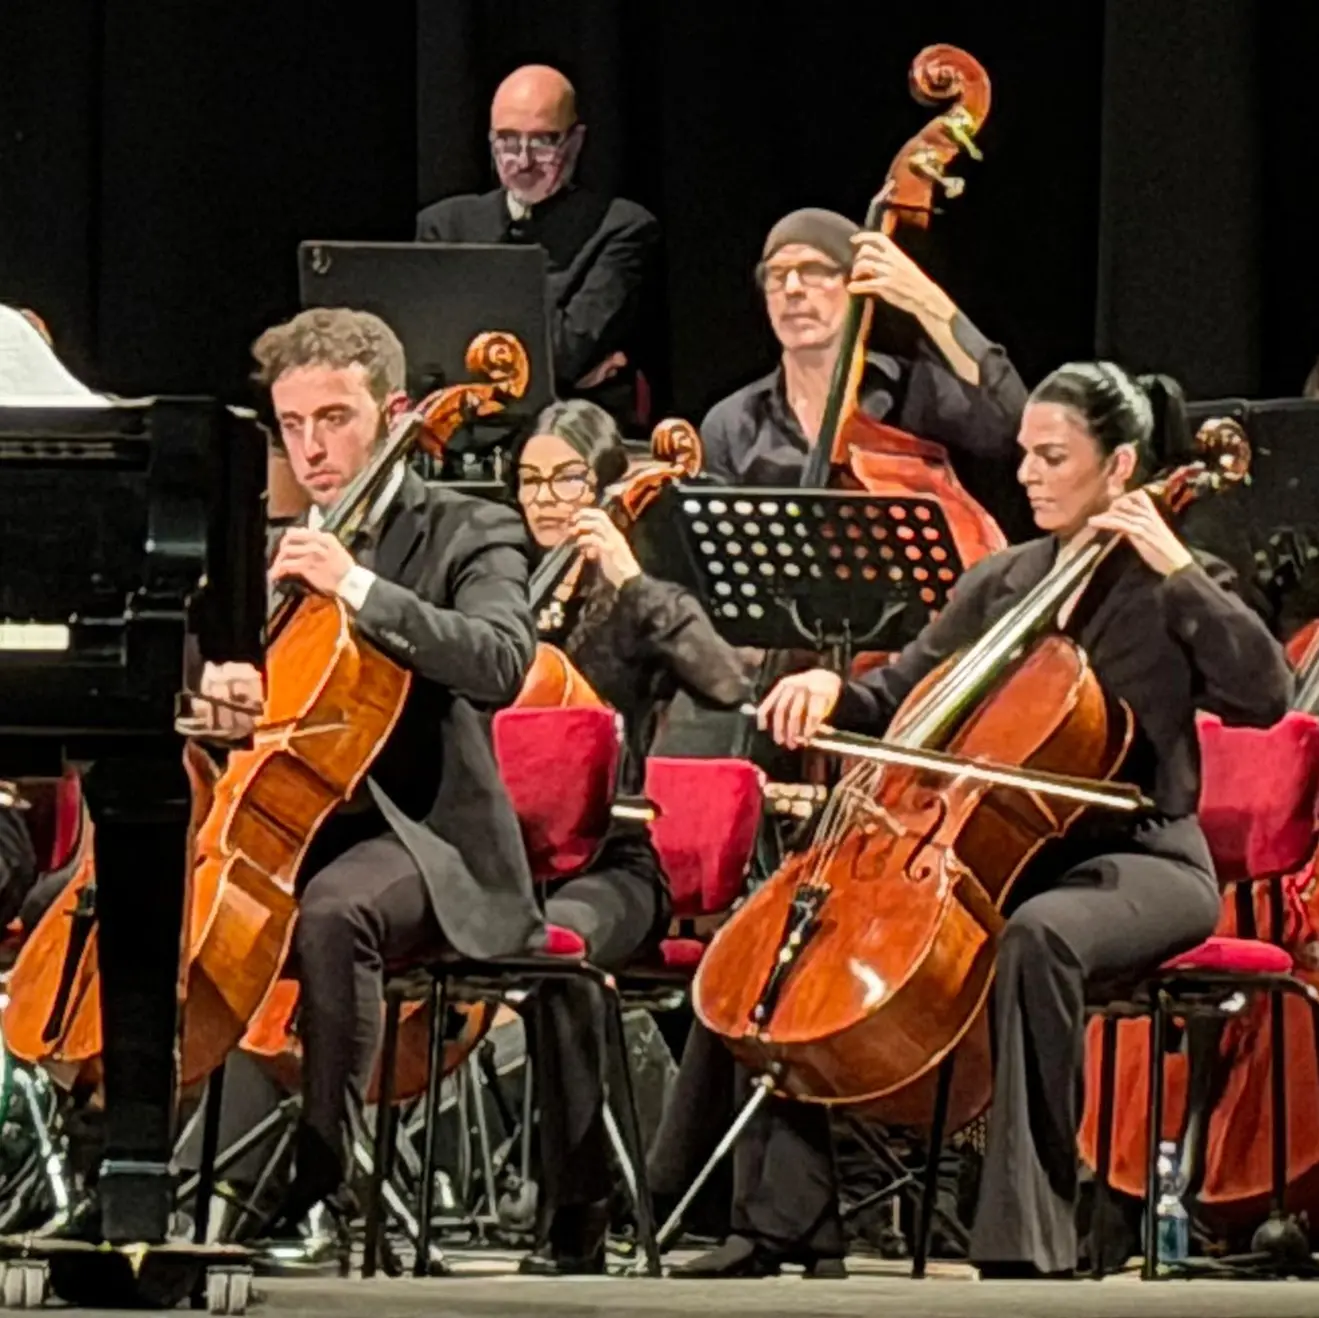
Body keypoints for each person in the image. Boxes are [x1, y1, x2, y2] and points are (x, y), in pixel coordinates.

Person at [747, 361, 1291, 1278]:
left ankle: (1029, 1231)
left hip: (1143, 857)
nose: (1028, 474)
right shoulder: (1002, 581)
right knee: (797, 927)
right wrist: (829, 684)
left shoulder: (1171, 585)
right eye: (1024, 456)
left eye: (1052, 456)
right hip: (1006, 849)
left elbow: (1266, 693)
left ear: (1119, 466)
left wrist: (1175, 559)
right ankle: (778, 1222)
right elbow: (900, 687)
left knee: (1037, 938)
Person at [190, 307, 548, 1237]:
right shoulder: (269, 549)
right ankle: (135, 1163)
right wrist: (216, 683)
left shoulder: (472, 527)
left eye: (334, 418)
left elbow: (502, 661)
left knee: (333, 911)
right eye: (293, 425)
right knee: (141, 888)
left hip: (424, 840)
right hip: (288, 823)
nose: (310, 447)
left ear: (392, 415)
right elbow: (208, 689)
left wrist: (357, 585)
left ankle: (324, 1182)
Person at [510, 398, 751, 1274]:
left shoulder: (639, 604)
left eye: (566, 479)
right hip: (500, 857)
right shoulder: (499, 593)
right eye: (529, 480)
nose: (544, 498)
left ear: (606, 485)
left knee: (558, 956)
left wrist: (628, 574)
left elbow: (726, 685)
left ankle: (578, 1210)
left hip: (613, 861)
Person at [699, 208, 1030, 540]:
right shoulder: (732, 424)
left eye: (814, 270)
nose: (792, 288)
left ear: (857, 283)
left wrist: (930, 303)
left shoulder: (912, 391)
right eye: (776, 274)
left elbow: (1016, 427)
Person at [416, 65, 660, 425]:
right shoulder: (444, 225)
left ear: (576, 141)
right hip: (463, 429)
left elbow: (564, 355)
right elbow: (427, 362)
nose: (523, 160)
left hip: (572, 433)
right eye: (508, 140)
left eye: (543, 141)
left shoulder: (622, 227)